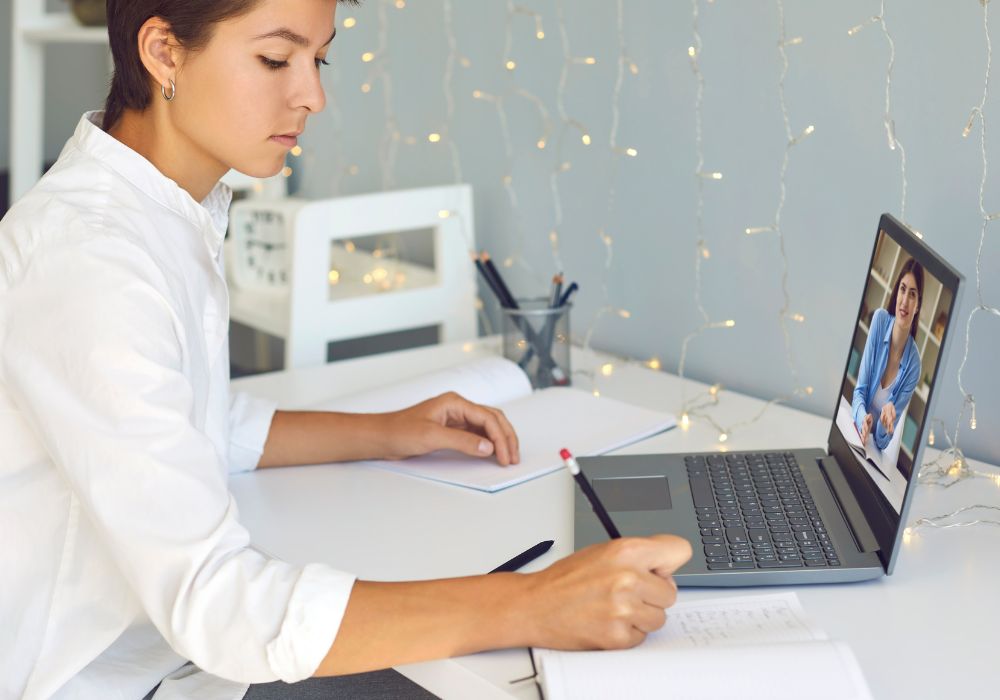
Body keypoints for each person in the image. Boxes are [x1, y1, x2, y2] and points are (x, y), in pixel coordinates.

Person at [0, 1, 692, 698]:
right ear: (164, 53)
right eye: (276, 58)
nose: (313, 96)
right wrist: (535, 604)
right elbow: (217, 606)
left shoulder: (164, 209)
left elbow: (198, 419)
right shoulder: (89, 259)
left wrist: (388, 432)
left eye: (318, 59)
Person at [852, 257, 924, 452]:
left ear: (918, 305)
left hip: (875, 452)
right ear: (896, 291)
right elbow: (859, 392)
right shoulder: (880, 321)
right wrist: (862, 420)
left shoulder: (914, 366)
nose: (905, 301)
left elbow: (883, 442)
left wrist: (884, 423)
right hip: (856, 435)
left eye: (912, 294)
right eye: (902, 289)